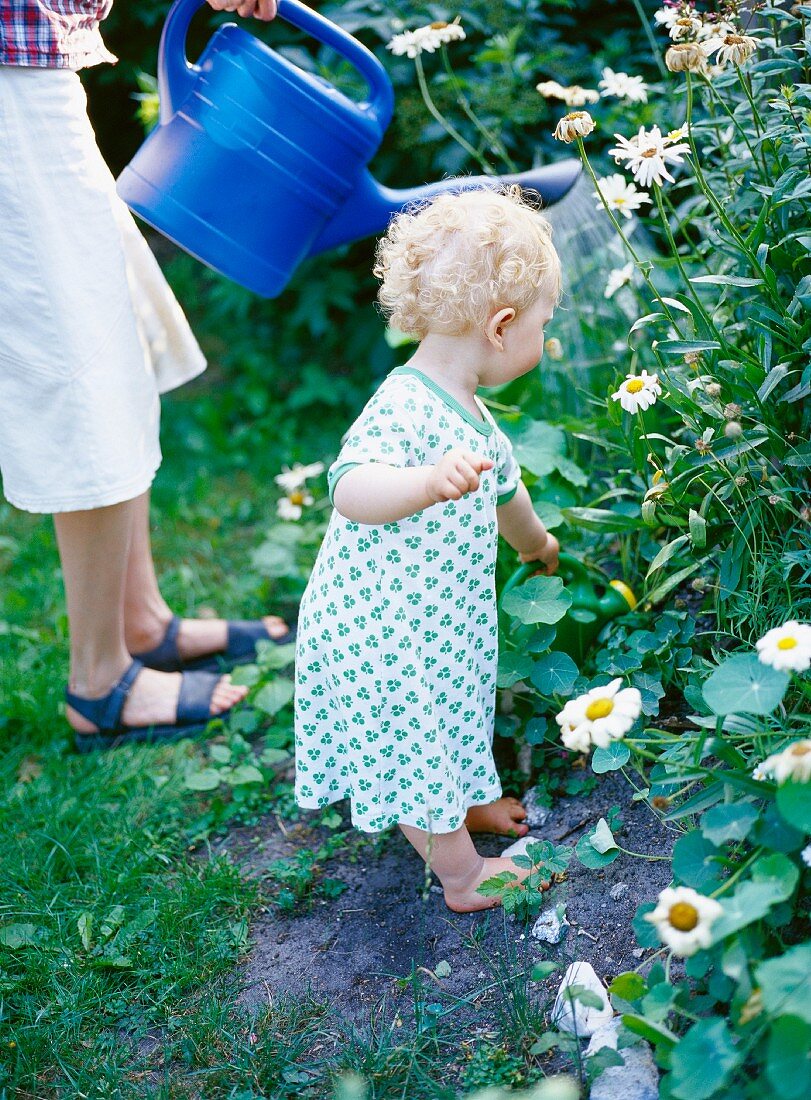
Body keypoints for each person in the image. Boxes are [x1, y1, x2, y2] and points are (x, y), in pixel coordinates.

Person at [0, 1, 295, 752]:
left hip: (33, 57)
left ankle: (139, 621)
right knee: (81, 358)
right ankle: (100, 682)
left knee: (115, 327)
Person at [294, 187, 562, 912]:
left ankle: (465, 806)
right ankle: (463, 876)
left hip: (433, 622)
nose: (548, 336)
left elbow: (509, 496)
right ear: (501, 325)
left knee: (450, 722)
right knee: (416, 745)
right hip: (377, 627)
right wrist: (423, 483)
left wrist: (537, 547)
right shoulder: (404, 404)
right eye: (544, 322)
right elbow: (350, 487)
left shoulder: (472, 409)